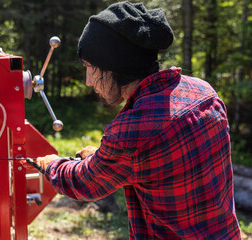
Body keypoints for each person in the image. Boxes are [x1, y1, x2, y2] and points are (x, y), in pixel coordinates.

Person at [23, 1, 242, 239]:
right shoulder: (204, 93)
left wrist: (51, 164)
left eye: (90, 67)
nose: (88, 80)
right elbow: (162, 161)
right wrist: (103, 157)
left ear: (113, 67)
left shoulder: (132, 131)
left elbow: (84, 183)